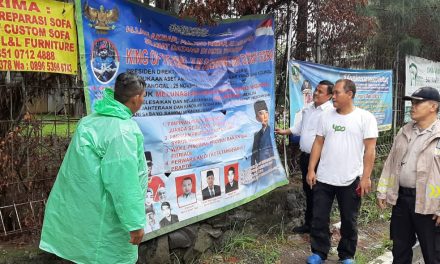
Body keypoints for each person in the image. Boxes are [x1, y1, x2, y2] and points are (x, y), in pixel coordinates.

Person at [40, 72, 148, 264]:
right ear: (136, 98)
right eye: (144, 96)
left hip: (80, 216)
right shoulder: (122, 132)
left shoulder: (89, 121)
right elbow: (123, 182)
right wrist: (134, 223)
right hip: (105, 220)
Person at [306, 79, 378, 264]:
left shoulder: (365, 118)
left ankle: (346, 255)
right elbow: (318, 142)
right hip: (324, 177)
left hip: (351, 178)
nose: (333, 97)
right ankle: (319, 252)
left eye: (337, 93)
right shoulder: (326, 116)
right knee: (319, 218)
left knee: (349, 220)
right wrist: (311, 169)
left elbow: (370, 150)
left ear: (350, 94)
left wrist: (365, 178)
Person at [377, 87, 440, 263]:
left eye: (418, 102)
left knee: (433, 254)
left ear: (433, 107)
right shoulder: (405, 131)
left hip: (429, 205)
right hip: (402, 201)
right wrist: (383, 191)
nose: (412, 106)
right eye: (412, 102)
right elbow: (391, 163)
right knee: (400, 250)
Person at [276, 80, 334, 234]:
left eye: (321, 91)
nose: (316, 93)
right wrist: (284, 132)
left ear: (329, 95)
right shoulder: (308, 109)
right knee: (308, 191)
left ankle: (322, 228)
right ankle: (309, 224)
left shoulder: (330, 112)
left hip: (322, 160)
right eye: (316, 90)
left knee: (321, 194)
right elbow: (299, 128)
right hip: (306, 158)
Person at [251, 100, 274, 166]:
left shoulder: (272, 130)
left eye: (266, 112)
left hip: (271, 166)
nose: (265, 116)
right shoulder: (256, 135)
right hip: (261, 167)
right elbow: (253, 155)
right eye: (261, 113)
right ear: (257, 118)